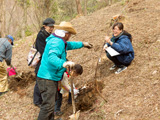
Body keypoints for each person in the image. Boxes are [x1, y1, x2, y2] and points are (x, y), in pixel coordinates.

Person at [36, 21, 92, 120]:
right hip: (47, 77)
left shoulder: (60, 41)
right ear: (66, 34)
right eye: (69, 34)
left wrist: (82, 44)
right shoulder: (56, 42)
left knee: (50, 105)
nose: (70, 36)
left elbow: (69, 45)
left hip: (50, 77)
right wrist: (63, 63)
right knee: (48, 107)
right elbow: (51, 57)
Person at [33, 18, 55, 107]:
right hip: (42, 61)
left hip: (46, 60)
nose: (51, 28)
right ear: (44, 26)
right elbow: (42, 49)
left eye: (52, 27)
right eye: (50, 27)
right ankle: (37, 101)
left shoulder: (48, 35)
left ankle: (41, 99)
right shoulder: (41, 35)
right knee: (39, 80)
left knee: (43, 80)